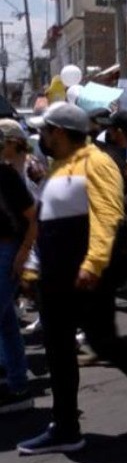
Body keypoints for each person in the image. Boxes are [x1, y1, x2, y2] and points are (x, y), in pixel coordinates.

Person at [18, 104, 127, 455]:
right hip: (54, 278)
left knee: (104, 342)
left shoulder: (98, 162)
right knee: (58, 349)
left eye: (45, 130)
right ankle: (65, 428)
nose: (41, 137)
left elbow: (108, 216)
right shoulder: (58, 168)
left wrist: (94, 263)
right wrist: (32, 266)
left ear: (60, 132)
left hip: (86, 276)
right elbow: (45, 222)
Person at [0, 129, 37, 413]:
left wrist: (23, 252)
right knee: (7, 322)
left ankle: (18, 384)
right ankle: (18, 384)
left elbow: (33, 218)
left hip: (9, 250)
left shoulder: (6, 176)